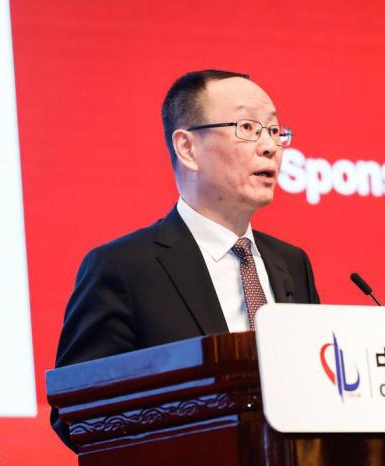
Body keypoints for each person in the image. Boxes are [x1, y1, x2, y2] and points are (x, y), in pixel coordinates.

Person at [51, 70, 320, 449]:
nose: (270, 147)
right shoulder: (123, 269)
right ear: (188, 148)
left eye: (275, 131)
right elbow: (76, 414)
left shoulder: (291, 263)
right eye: (248, 128)